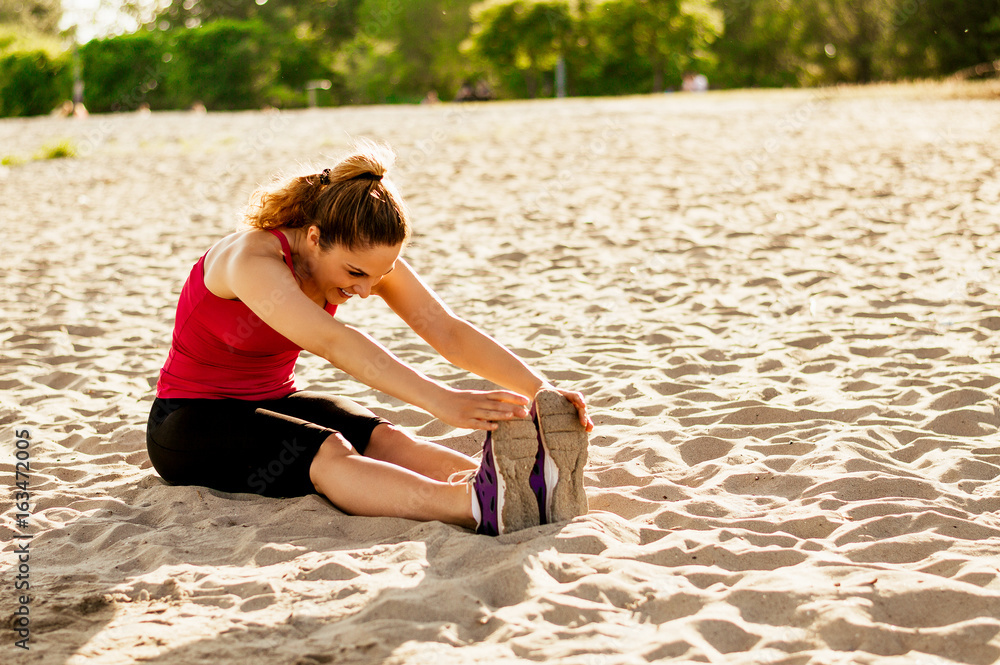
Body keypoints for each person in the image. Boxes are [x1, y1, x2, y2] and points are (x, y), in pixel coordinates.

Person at [146, 142, 593, 536]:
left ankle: (525, 492)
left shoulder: (360, 259)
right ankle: (472, 506)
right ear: (315, 237)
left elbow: (446, 330)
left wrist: (540, 389)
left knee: (386, 440)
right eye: (356, 275)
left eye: (377, 277)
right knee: (328, 449)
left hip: (275, 400)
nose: (365, 289)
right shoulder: (252, 259)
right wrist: (441, 400)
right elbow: (333, 341)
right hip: (188, 422)